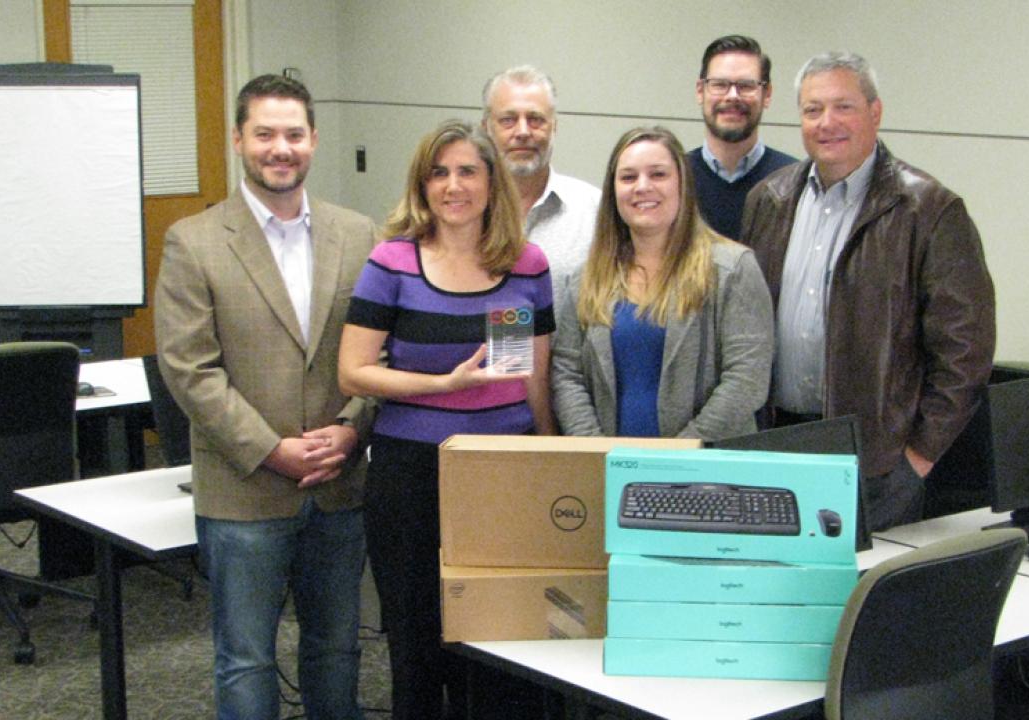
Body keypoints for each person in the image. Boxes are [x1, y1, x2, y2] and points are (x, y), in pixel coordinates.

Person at [154, 74, 374, 720]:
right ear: (238, 140)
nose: (282, 148)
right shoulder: (193, 241)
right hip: (244, 489)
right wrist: (272, 450)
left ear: (314, 140)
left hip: (338, 484)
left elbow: (382, 352)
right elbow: (190, 369)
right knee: (246, 658)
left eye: (295, 134)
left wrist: (353, 428)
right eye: (266, 134)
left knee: (337, 649)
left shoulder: (358, 234)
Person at [337, 120, 555, 720]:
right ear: (422, 184)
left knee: (494, 638)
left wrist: (553, 456)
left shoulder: (526, 264)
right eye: (439, 173)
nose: (453, 186)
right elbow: (353, 372)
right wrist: (443, 384)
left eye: (467, 171)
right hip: (411, 474)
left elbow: (532, 376)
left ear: (492, 183)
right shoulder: (393, 261)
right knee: (416, 638)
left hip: (503, 473)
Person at [740, 51, 996, 531]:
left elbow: (966, 352)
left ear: (875, 112)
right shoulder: (769, 200)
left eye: (844, 107)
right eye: (813, 110)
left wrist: (916, 457)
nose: (826, 122)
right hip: (775, 444)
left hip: (875, 460)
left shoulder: (928, 210)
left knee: (865, 600)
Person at [552, 126, 773, 441]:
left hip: (707, 469)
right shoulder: (585, 278)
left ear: (682, 184)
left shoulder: (732, 269)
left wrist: (678, 455)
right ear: (613, 191)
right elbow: (566, 373)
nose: (642, 187)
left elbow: (747, 379)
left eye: (658, 174)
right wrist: (595, 448)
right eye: (628, 177)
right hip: (608, 468)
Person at [482, 65, 601, 296]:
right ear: (486, 128)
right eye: (508, 120)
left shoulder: (595, 210)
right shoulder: (464, 210)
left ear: (554, 127)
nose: (523, 131)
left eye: (536, 119)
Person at [690, 35, 796, 241]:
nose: (732, 96)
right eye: (719, 84)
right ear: (700, 92)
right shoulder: (674, 179)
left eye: (746, 86)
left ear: (767, 95)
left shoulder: (794, 183)